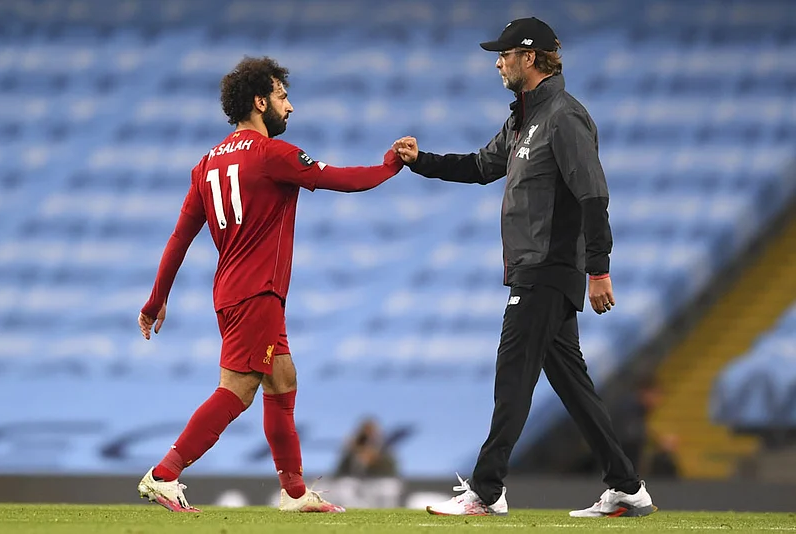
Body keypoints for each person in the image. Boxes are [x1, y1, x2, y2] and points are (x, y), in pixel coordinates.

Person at [393, 17, 656, 518]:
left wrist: (599, 269)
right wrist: (421, 160)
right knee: (573, 387)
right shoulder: (524, 118)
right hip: (534, 269)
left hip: (546, 268)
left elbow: (593, 194)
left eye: (505, 54)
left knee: (512, 374)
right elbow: (480, 166)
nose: (498, 63)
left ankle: (487, 490)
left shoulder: (564, 116)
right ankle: (626, 487)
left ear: (529, 57)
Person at [136, 56, 403, 513]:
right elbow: (345, 180)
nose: (290, 107)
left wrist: (156, 299)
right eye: (282, 97)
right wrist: (391, 164)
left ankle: (294, 493)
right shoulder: (272, 155)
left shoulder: (206, 165)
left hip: (233, 291)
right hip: (256, 292)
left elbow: (180, 238)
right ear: (260, 102)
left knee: (282, 380)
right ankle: (164, 474)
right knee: (237, 390)